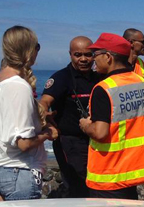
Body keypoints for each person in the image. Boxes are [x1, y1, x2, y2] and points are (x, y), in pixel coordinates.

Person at [0, 25, 58, 201]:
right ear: (30, 49)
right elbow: (23, 143)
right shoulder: (18, 85)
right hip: (17, 171)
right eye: (37, 47)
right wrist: (46, 134)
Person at [79, 33, 144, 199]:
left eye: (95, 55)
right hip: (132, 173)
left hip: (108, 175)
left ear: (108, 57)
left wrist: (85, 125)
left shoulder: (103, 89)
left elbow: (100, 132)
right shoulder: (141, 82)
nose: (92, 60)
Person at [39, 36, 102, 198]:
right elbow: (45, 101)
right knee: (77, 185)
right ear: (70, 55)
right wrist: (44, 116)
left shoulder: (99, 77)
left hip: (95, 139)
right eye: (78, 55)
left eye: (88, 55)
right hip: (70, 142)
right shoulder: (62, 78)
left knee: (96, 183)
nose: (83, 59)